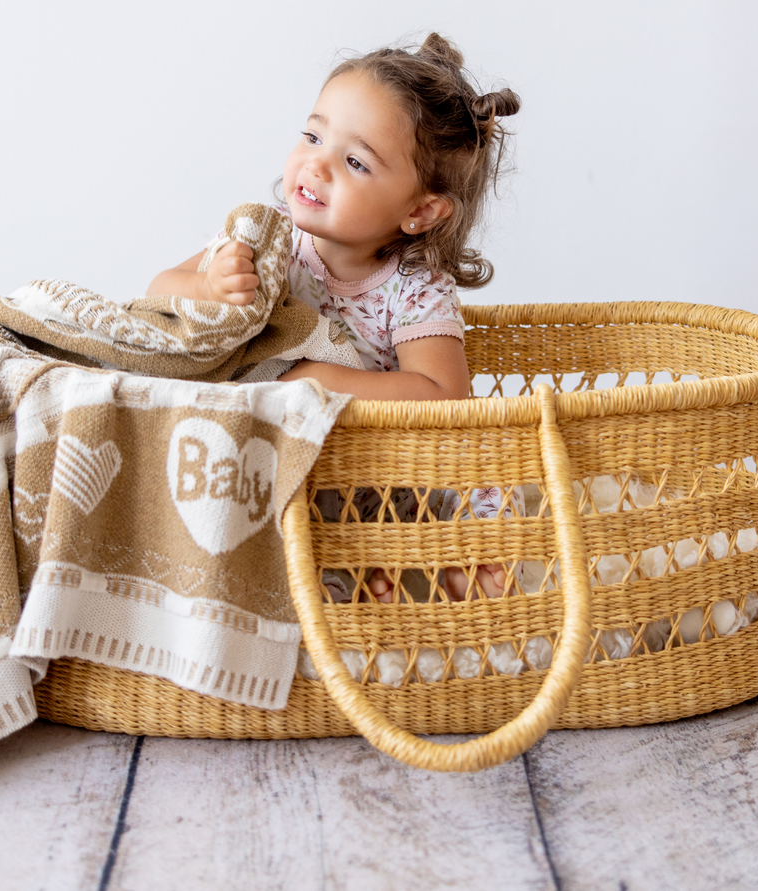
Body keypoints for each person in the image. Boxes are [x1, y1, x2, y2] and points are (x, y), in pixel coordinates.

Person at [148, 32, 521, 602]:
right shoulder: (269, 237)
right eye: (312, 135)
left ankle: (442, 558)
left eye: (354, 161)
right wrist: (209, 285)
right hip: (286, 470)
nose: (316, 165)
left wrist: (322, 383)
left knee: (498, 483)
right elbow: (157, 293)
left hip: (380, 475)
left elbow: (444, 396)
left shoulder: (415, 288)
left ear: (421, 210)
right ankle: (362, 571)